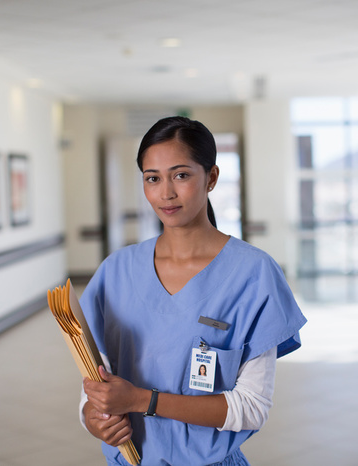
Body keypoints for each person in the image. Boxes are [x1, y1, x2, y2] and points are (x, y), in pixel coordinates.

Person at [78, 116, 306, 466]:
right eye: (152, 178)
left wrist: (142, 400)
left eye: (181, 175)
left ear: (211, 178)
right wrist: (95, 421)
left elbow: (251, 408)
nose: (166, 193)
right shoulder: (116, 272)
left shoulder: (254, 273)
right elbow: (95, 386)